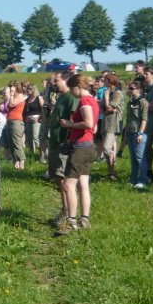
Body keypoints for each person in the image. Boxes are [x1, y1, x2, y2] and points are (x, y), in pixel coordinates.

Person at [56, 74, 99, 236]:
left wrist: (69, 124)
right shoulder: (93, 100)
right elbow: (94, 127)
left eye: (72, 88)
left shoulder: (85, 101)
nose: (71, 92)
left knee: (68, 185)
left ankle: (71, 221)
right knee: (83, 185)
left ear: (79, 87)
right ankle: (84, 219)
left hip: (80, 147)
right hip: (88, 145)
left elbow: (88, 123)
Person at [47, 72, 79, 228]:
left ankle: (68, 214)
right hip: (55, 141)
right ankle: (64, 209)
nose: (54, 83)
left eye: (57, 80)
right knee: (58, 178)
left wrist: (67, 141)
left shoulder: (70, 97)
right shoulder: (60, 96)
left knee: (63, 177)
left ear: (66, 81)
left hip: (63, 143)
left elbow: (72, 119)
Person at [125, 80, 148, 188]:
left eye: (131, 88)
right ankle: (133, 179)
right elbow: (128, 119)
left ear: (138, 90)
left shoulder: (143, 102)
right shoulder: (130, 102)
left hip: (138, 133)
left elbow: (144, 119)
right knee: (133, 158)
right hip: (130, 132)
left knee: (140, 158)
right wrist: (125, 134)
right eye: (129, 88)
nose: (129, 90)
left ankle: (142, 180)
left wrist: (140, 133)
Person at [101, 72, 124, 181]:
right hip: (106, 122)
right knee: (105, 148)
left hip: (113, 123)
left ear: (111, 81)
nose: (103, 81)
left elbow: (109, 107)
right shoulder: (108, 91)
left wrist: (106, 97)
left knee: (106, 148)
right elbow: (103, 109)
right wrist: (107, 108)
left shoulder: (117, 93)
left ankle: (112, 172)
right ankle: (110, 173)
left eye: (106, 79)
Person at [5, 81, 27, 170]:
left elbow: (11, 104)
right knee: (11, 143)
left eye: (11, 86)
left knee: (16, 143)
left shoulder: (20, 96)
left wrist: (12, 94)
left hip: (16, 122)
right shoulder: (12, 96)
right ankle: (16, 162)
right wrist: (11, 95)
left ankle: (22, 163)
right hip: (9, 121)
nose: (10, 88)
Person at [24, 83, 44, 161]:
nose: (28, 90)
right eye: (27, 89)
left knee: (36, 137)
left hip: (36, 118)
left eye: (30, 89)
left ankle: (42, 156)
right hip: (28, 119)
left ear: (33, 90)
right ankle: (32, 156)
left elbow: (43, 108)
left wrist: (40, 117)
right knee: (29, 138)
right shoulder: (27, 100)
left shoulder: (38, 98)